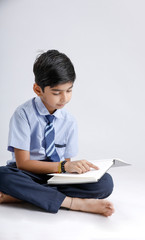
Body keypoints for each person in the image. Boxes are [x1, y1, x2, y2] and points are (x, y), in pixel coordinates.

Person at [0, 50, 114, 217]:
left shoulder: (69, 121)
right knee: (3, 176)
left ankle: (20, 196)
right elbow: (22, 163)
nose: (64, 98)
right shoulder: (23, 114)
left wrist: (75, 170)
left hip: (56, 176)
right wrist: (63, 166)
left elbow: (67, 164)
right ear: (37, 90)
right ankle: (73, 203)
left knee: (105, 183)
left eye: (69, 91)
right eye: (56, 93)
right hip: (27, 174)